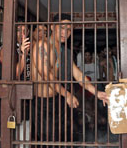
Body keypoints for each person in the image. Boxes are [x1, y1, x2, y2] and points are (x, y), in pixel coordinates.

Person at [31, 13, 108, 142]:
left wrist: (97, 92)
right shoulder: (42, 46)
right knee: (48, 141)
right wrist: (66, 94)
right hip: (43, 103)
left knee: (62, 138)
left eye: (69, 29)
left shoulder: (65, 51)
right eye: (62, 28)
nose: (65, 32)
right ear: (52, 27)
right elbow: (45, 75)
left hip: (59, 100)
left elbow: (78, 75)